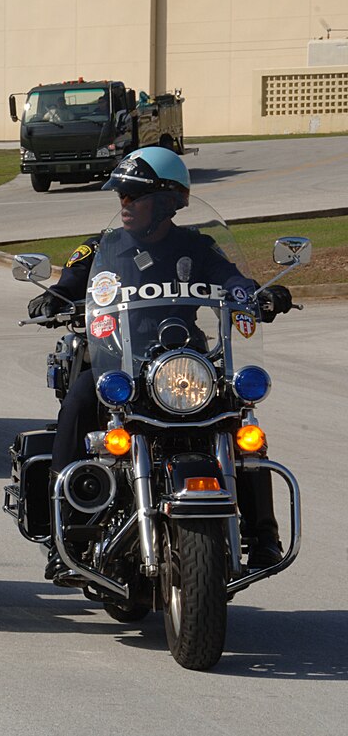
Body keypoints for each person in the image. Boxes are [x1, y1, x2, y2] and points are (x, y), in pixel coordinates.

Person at [26, 147, 295, 578]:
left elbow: (233, 280)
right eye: (122, 197)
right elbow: (71, 283)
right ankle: (66, 534)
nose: (125, 205)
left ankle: (264, 535)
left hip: (184, 364)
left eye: (134, 197)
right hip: (119, 362)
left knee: (241, 422)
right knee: (78, 400)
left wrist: (259, 294)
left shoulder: (197, 247)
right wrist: (53, 298)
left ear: (168, 203)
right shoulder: (101, 248)